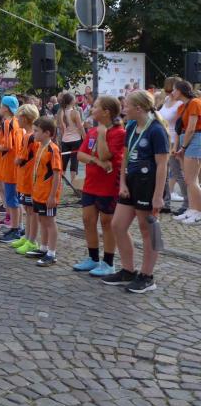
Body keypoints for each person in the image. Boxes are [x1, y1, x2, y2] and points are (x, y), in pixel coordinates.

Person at [102, 90, 169, 293]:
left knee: (147, 230)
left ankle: (147, 276)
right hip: (131, 183)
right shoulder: (131, 126)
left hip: (148, 186)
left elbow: (163, 165)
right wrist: (122, 183)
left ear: (138, 108)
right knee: (118, 225)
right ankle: (128, 270)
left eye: (127, 105)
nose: (124, 109)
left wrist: (158, 196)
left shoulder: (156, 130)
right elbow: (125, 157)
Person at [73, 96, 125, 276]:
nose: (92, 109)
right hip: (91, 184)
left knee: (106, 222)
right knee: (87, 220)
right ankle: (93, 258)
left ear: (106, 112)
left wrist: (102, 135)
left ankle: (108, 262)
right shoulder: (93, 131)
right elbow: (80, 155)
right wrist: (95, 160)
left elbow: (104, 156)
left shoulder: (118, 133)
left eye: (95, 107)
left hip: (109, 185)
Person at [23, 117, 62, 266]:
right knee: (42, 220)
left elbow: (57, 174)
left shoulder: (53, 149)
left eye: (36, 131)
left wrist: (52, 196)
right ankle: (43, 248)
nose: (33, 134)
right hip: (38, 193)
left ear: (47, 133)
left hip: (47, 194)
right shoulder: (40, 146)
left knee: (50, 222)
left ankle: (51, 253)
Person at [9, 104, 41, 255]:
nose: (17, 120)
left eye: (19, 117)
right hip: (25, 177)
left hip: (29, 178)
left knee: (31, 211)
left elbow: (20, 158)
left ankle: (32, 240)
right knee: (28, 210)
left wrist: (16, 160)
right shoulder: (29, 135)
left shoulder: (29, 136)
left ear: (26, 118)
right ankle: (27, 237)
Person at [0, 96, 23, 242]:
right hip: (15, 165)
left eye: (1, 106)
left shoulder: (7, 123)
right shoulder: (16, 122)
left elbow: (7, 146)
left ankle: (15, 230)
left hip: (10, 166)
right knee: (15, 199)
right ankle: (18, 227)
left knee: (12, 200)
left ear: (5, 108)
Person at [158, 77, 187, 217]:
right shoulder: (166, 100)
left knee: (176, 172)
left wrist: (176, 145)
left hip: (174, 140)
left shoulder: (180, 103)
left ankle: (187, 204)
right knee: (163, 172)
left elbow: (181, 125)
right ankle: (166, 202)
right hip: (163, 139)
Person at [173, 80, 201, 224]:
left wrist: (182, 147)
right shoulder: (181, 106)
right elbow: (181, 129)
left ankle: (198, 211)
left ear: (180, 91)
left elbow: (191, 128)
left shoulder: (195, 102)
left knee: (192, 179)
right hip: (187, 139)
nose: (172, 93)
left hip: (195, 138)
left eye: (174, 90)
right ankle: (192, 209)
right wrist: (178, 146)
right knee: (189, 180)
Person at [57, 92, 85, 185]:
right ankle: (73, 184)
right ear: (72, 101)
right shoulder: (75, 112)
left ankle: (59, 184)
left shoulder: (61, 112)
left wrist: (62, 138)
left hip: (65, 140)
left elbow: (61, 128)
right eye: (74, 98)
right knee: (74, 162)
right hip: (76, 139)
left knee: (63, 163)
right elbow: (80, 127)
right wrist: (85, 138)